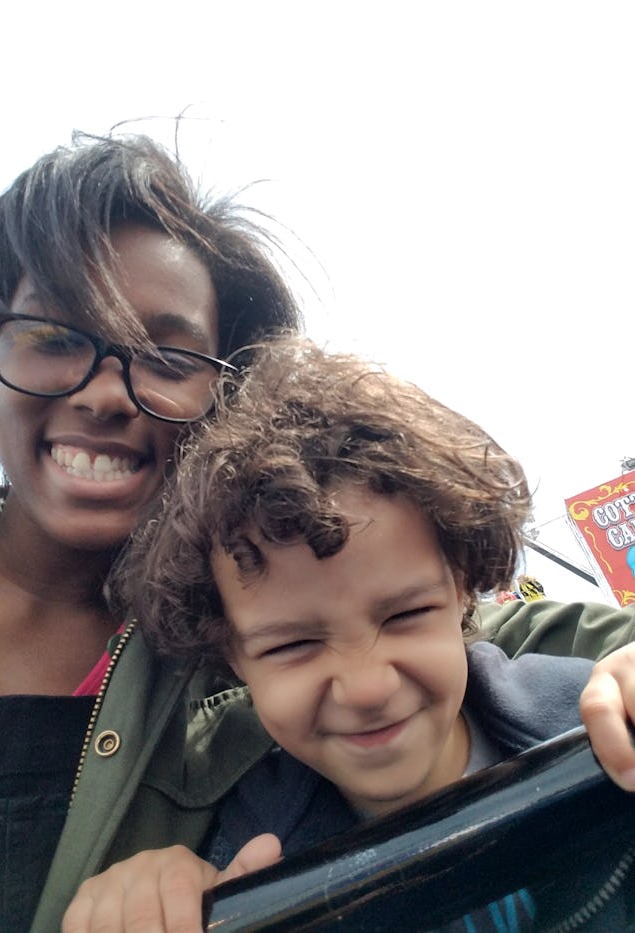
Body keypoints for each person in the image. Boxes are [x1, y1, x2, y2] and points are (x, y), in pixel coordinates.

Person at [63, 335, 634, 931]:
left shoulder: (604, 726)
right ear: (231, 657)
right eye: (292, 646)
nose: (365, 688)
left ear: (462, 588)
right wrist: (156, 900)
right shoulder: (234, 864)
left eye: (405, 616)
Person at [0, 130, 302, 933]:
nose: (105, 395)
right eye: (56, 340)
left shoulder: (265, 629)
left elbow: (466, 630)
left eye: (168, 359)